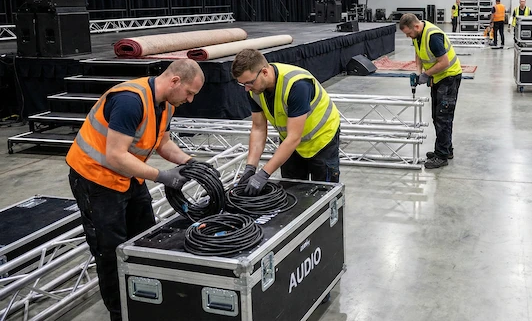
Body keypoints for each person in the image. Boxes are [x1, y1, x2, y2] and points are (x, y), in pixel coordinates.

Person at [66, 59, 205, 321]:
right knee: (110, 251)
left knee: (146, 239)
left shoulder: (166, 105)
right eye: (189, 92)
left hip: (128, 177)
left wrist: (191, 162)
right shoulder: (130, 101)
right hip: (96, 180)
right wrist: (162, 176)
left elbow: (164, 144)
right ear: (175, 81)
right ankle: (121, 313)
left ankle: (145, 303)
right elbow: (116, 155)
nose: (190, 99)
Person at [232, 49, 341, 193]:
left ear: (264, 72)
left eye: (249, 83)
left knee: (324, 193)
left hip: (321, 140)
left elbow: (294, 137)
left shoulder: (297, 85)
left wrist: (264, 174)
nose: (247, 89)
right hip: (291, 143)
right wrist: (250, 168)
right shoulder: (255, 89)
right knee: (291, 192)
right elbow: (258, 128)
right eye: (243, 84)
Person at [398, 13, 463, 169]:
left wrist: (426, 74)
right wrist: (419, 72)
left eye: (408, 33)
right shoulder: (417, 35)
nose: (408, 36)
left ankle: (441, 156)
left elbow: (444, 62)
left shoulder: (433, 36)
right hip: (438, 78)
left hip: (449, 77)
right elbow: (418, 53)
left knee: (443, 117)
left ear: (416, 26)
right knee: (437, 116)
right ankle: (446, 149)